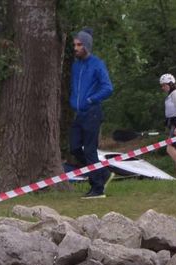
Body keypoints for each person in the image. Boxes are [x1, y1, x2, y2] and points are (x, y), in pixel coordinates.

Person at [69, 28, 114, 199]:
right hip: (78, 113)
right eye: (74, 44)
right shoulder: (75, 65)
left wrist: (90, 100)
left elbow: (108, 88)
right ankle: (102, 173)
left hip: (92, 112)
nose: (76, 48)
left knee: (89, 150)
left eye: (79, 44)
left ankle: (97, 188)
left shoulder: (97, 64)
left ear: (86, 46)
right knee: (74, 148)